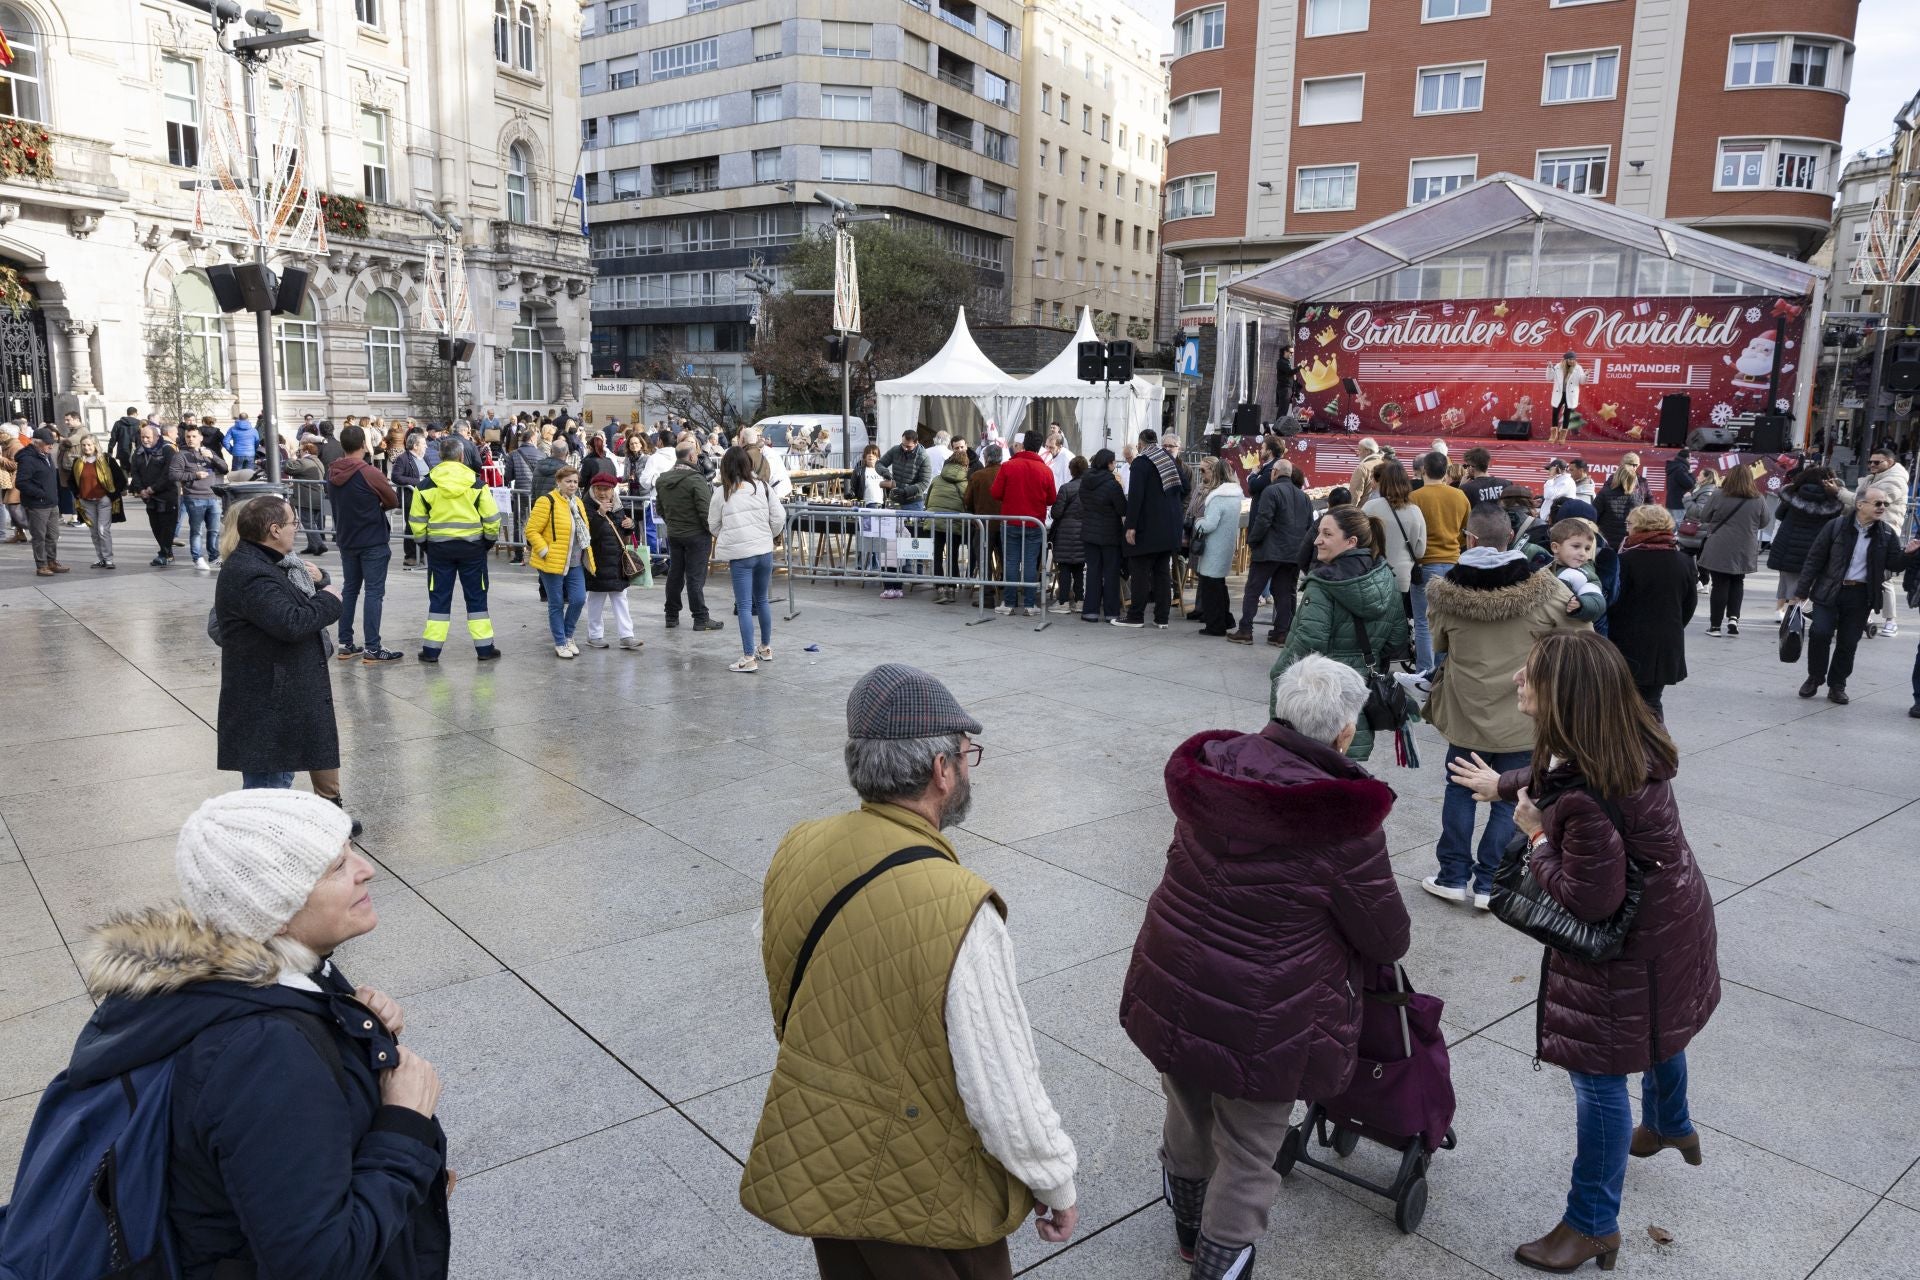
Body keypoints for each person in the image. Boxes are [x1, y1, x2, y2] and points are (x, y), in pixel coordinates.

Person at [741, 664, 1079, 1277]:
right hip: (925, 1193)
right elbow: (1000, 1080)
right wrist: (1054, 1180)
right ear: (941, 770)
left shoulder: (798, 844)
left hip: (824, 1162)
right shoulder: (960, 906)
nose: (968, 767)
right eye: (966, 754)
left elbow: (788, 984)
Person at [50, 790, 450, 1280]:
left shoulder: (233, 983)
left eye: (352, 850)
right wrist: (404, 1131)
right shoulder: (263, 1051)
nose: (365, 868)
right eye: (336, 866)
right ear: (275, 911)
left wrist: (343, 1024)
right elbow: (319, 1264)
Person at [1121, 655, 1410, 1280]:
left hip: (1173, 978)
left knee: (1187, 1109)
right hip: (1268, 1011)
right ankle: (1220, 1264)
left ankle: (1189, 1234)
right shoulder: (1342, 821)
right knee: (1251, 1148)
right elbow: (1386, 936)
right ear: (1342, 732)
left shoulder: (1215, 771)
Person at [1448, 631, 1719, 1274]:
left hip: (1626, 948)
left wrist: (1538, 840)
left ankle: (1592, 1224)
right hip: (1671, 922)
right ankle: (1669, 1121)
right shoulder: (1623, 741)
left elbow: (1587, 900)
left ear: (1564, 698)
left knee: (1599, 1083)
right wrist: (1503, 781)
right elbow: (1560, 774)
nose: (1518, 678)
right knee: (1658, 1024)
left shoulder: (1589, 799)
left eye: (1531, 674)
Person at [1420, 504, 1585, 908]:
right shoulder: (1549, 590)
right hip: (1523, 711)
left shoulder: (1444, 593)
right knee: (1512, 795)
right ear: (1511, 537)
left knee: (1459, 790)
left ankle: (1452, 876)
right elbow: (1582, 637)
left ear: (1470, 540)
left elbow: (1438, 644)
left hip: (1465, 711)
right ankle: (1489, 883)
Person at [211, 495, 354, 808]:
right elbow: (291, 622)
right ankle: (265, 847)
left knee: (276, 781)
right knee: (268, 791)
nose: (297, 530)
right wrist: (330, 598)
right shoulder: (252, 572)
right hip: (267, 700)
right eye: (293, 524)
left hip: (276, 697)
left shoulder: (261, 563)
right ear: (274, 530)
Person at [1269, 506, 1407, 760]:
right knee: (1346, 779)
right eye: (1319, 532)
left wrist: (1279, 681)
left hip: (1319, 709)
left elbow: (1306, 646)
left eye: (1327, 534)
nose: (1316, 540)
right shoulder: (1387, 577)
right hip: (1357, 704)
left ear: (1351, 542)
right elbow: (1397, 640)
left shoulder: (1322, 585)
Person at [1791, 490, 1920, 706]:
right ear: (1860, 504)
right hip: (1829, 589)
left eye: (1885, 504)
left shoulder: (1886, 534)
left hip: (1860, 594)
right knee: (1820, 633)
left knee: (1848, 642)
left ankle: (1837, 685)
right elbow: (1814, 559)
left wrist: (1907, 553)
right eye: (1878, 503)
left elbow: (1893, 565)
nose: (1882, 507)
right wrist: (1801, 592)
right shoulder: (1835, 526)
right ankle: (1815, 677)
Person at [407, 442, 503, 663]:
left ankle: (431, 651)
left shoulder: (425, 485)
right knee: (477, 598)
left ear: (441, 456)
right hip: (473, 549)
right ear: (461, 457)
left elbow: (416, 522)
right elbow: (492, 520)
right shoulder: (477, 484)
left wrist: (425, 545)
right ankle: (484, 649)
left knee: (439, 599)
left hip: (439, 550)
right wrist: (486, 543)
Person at [1608, 505, 1696, 718]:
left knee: (1624, 704)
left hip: (1629, 643)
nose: (1626, 529)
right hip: (1666, 643)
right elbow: (1689, 604)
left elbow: (1614, 603)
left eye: (1629, 524)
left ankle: (1637, 748)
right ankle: (1657, 749)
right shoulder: (1683, 561)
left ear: (1640, 527)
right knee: (1652, 702)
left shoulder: (1625, 561)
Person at [325, 424, 403, 664]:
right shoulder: (369, 472)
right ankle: (372, 647)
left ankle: (345, 643)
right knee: (374, 592)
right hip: (372, 538)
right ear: (363, 445)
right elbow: (392, 499)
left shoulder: (332, 471)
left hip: (347, 538)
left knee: (350, 589)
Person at [709, 445, 785, 673]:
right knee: (762, 600)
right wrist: (769, 535)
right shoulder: (762, 486)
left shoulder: (721, 492)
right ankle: (766, 648)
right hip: (763, 551)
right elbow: (779, 516)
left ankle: (748, 657)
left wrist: (728, 535)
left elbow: (713, 525)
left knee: (744, 605)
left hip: (740, 556)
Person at [1232, 457, 1313, 647]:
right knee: (1284, 593)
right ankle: (1281, 633)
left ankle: (1245, 630)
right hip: (1293, 554)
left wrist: (1253, 541)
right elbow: (1309, 526)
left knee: (1253, 590)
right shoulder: (1303, 496)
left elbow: (1263, 519)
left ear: (1274, 473)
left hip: (1269, 551)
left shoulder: (1271, 490)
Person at [1114, 429, 1185, 629]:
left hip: (1148, 528)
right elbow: (1185, 486)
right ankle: (1162, 618)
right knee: (1162, 573)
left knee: (1140, 572)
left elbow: (1135, 498)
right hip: (1169, 527)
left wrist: (1131, 527)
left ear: (1140, 444)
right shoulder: (1168, 460)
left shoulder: (1141, 463)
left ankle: (1136, 616)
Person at [1408, 450, 1470, 673]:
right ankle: (1442, 670)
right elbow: (1465, 531)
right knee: (1447, 621)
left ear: (1424, 470)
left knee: (1424, 622)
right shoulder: (1459, 496)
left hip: (1425, 564)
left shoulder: (1415, 497)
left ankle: (1424, 672)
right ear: (1446, 471)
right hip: (1453, 563)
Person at [1842, 446, 1911, 637]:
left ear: (1889, 463)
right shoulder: (1874, 478)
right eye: (1870, 461)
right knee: (1864, 570)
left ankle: (1890, 621)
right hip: (1866, 528)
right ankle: (1865, 615)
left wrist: (1840, 493)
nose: (1871, 464)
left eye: (1876, 462)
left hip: (1884, 532)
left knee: (1884, 577)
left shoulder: (1895, 480)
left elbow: (1863, 500)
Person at [525, 465, 592, 659]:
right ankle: (560, 642)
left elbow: (583, 531)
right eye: (568, 481)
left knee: (579, 599)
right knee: (556, 603)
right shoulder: (547, 501)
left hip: (575, 561)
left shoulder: (578, 502)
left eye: (575, 482)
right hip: (552, 562)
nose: (572, 485)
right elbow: (531, 530)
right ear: (558, 482)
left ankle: (569, 635)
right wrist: (545, 551)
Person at [657, 439, 722, 631]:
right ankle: (700, 617)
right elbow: (706, 511)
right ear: (692, 456)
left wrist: (673, 524)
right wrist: (710, 530)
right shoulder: (696, 479)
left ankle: (671, 615)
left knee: (675, 574)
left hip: (675, 534)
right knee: (695, 577)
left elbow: (660, 508)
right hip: (696, 535)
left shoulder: (662, 479)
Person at [991, 429, 1057, 617]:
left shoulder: (1008, 466)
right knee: (1030, 563)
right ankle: (1029, 604)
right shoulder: (1045, 470)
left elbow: (995, 493)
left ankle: (1009, 603)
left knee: (1011, 562)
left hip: (1010, 521)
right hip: (1035, 522)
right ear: (1039, 447)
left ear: (1024, 444)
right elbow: (1052, 498)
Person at [1696, 463, 1767, 637]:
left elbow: (1704, 516)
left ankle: (1715, 626)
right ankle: (1734, 619)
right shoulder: (1758, 498)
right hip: (1745, 546)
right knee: (1738, 581)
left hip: (1720, 544)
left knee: (1720, 583)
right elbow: (1764, 522)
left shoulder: (1719, 494)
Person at [1766, 464, 1843, 616]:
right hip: (1816, 545)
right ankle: (1793, 613)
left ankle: (1780, 609)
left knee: (1787, 579)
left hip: (1788, 543)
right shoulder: (1832, 500)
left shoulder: (1793, 493)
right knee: (1806, 581)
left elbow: (1779, 515)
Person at [582, 472, 642, 650]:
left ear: (612, 490)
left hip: (616, 560)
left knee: (621, 598)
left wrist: (629, 526)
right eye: (599, 489)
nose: (602, 493)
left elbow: (621, 532)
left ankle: (627, 636)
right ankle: (594, 635)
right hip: (596, 560)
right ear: (593, 489)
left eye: (606, 489)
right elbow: (589, 534)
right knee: (596, 599)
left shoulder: (617, 504)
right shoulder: (586, 506)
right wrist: (600, 514)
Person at [1188, 456, 1243, 637]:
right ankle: (1226, 619)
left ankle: (1215, 625)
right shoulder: (1234, 495)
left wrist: (1198, 522)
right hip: (1225, 547)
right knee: (1220, 586)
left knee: (1211, 589)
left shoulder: (1219, 497)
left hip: (1214, 549)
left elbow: (1210, 524)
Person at [1362, 461, 1426, 612]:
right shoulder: (1415, 511)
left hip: (1371, 574)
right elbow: (1419, 552)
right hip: (1401, 577)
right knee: (1395, 623)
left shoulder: (1370, 507)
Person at [876, 428, 931, 600]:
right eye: (903, 445)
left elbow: (924, 482)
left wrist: (907, 491)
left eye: (908, 446)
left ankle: (916, 573)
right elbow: (879, 463)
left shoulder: (923, 457)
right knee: (892, 543)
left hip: (914, 502)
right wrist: (886, 473)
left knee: (912, 539)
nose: (905, 448)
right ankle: (896, 579)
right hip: (895, 501)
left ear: (916, 443)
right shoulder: (895, 450)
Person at [1079, 447, 1127, 623]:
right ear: (1109, 463)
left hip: (1089, 532)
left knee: (1093, 571)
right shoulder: (1113, 484)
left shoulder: (1086, 481)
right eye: (1114, 462)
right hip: (1110, 534)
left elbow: (1083, 500)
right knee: (1111, 573)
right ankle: (1111, 612)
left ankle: (1090, 611)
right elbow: (1122, 508)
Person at [69, 431, 126, 569]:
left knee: (102, 530)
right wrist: (77, 494)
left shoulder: (106, 460)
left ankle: (108, 559)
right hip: (86, 501)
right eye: (83, 445)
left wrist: (110, 496)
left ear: (95, 445)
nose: (86, 448)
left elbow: (121, 479)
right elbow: (71, 481)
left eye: (89, 445)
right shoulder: (78, 462)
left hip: (103, 500)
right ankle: (100, 558)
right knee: (94, 531)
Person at [16, 426, 65, 574]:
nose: (51, 445)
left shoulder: (46, 454)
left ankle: (52, 561)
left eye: (52, 442)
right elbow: (21, 482)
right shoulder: (28, 459)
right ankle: (41, 565)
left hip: (52, 503)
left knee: (53, 535)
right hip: (38, 504)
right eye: (48, 443)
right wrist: (40, 494)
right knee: (39, 536)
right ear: (37, 442)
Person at [928, 438, 971, 603]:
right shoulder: (965, 483)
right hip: (955, 523)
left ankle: (939, 589)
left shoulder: (937, 479)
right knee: (953, 556)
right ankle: (951, 590)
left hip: (936, 521)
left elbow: (928, 501)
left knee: (938, 555)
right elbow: (968, 503)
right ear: (965, 466)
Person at [129, 423, 178, 567]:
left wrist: (153, 488)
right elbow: (135, 473)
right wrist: (141, 489)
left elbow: (169, 474)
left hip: (166, 495)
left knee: (166, 526)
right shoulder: (138, 452)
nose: (145, 440)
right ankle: (166, 552)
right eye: (143, 437)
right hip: (148, 497)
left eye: (148, 437)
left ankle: (165, 554)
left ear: (157, 437)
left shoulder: (167, 450)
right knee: (155, 526)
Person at [964, 443, 1006, 608]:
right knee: (1008, 560)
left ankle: (987, 596)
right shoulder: (1006, 473)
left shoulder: (978, 476)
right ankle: (1009, 596)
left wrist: (975, 515)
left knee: (984, 560)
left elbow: (967, 500)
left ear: (986, 458)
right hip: (1005, 523)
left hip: (984, 524)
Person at [1548, 518, 1608, 625]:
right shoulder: (1542, 564)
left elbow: (1598, 602)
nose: (1583, 553)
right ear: (1555, 547)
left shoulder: (1585, 574)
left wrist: (1582, 604)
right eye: (1576, 546)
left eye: (1587, 548)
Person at [1049, 454, 1088, 615]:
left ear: (1072, 471)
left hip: (1065, 533)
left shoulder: (1066, 488)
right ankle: (1079, 601)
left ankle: (1063, 601)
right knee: (1078, 568)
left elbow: (1056, 512)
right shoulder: (1089, 488)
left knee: (1064, 568)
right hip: (1083, 533)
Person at [287, 441, 329, 556]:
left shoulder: (305, 462)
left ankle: (320, 545)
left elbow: (288, 468)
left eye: (300, 451)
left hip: (306, 497)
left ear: (306, 451)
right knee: (312, 522)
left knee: (308, 522)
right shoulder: (318, 461)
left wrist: (291, 458)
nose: (298, 452)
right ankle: (312, 546)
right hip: (316, 496)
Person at [1592, 458, 1643, 550]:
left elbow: (1593, 515)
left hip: (1605, 539)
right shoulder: (1637, 496)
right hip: (1627, 541)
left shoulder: (1604, 493)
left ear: (1617, 476)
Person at [1547, 351, 1586, 445]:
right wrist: (1549, 368)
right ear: (1565, 360)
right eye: (1570, 359)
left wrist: (1586, 375)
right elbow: (1549, 378)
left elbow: (1582, 382)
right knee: (1555, 413)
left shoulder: (1578, 368)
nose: (1572, 361)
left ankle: (1562, 437)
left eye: (1573, 359)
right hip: (1559, 393)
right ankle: (1553, 435)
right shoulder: (1558, 367)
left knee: (1567, 415)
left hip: (1570, 395)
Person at [108, 405, 142, 474]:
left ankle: (125, 483)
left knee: (124, 471)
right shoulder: (140, 423)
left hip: (122, 450)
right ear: (135, 413)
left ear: (128, 413)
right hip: (136, 451)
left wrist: (110, 450)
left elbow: (113, 438)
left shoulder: (118, 423)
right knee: (136, 471)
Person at [1663, 448, 1695, 513]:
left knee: (1670, 522)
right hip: (1679, 504)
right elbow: (1690, 484)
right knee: (1677, 522)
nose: (1690, 461)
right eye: (1690, 458)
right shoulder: (1680, 469)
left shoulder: (1674, 466)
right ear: (1687, 458)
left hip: (1671, 502)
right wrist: (1690, 473)